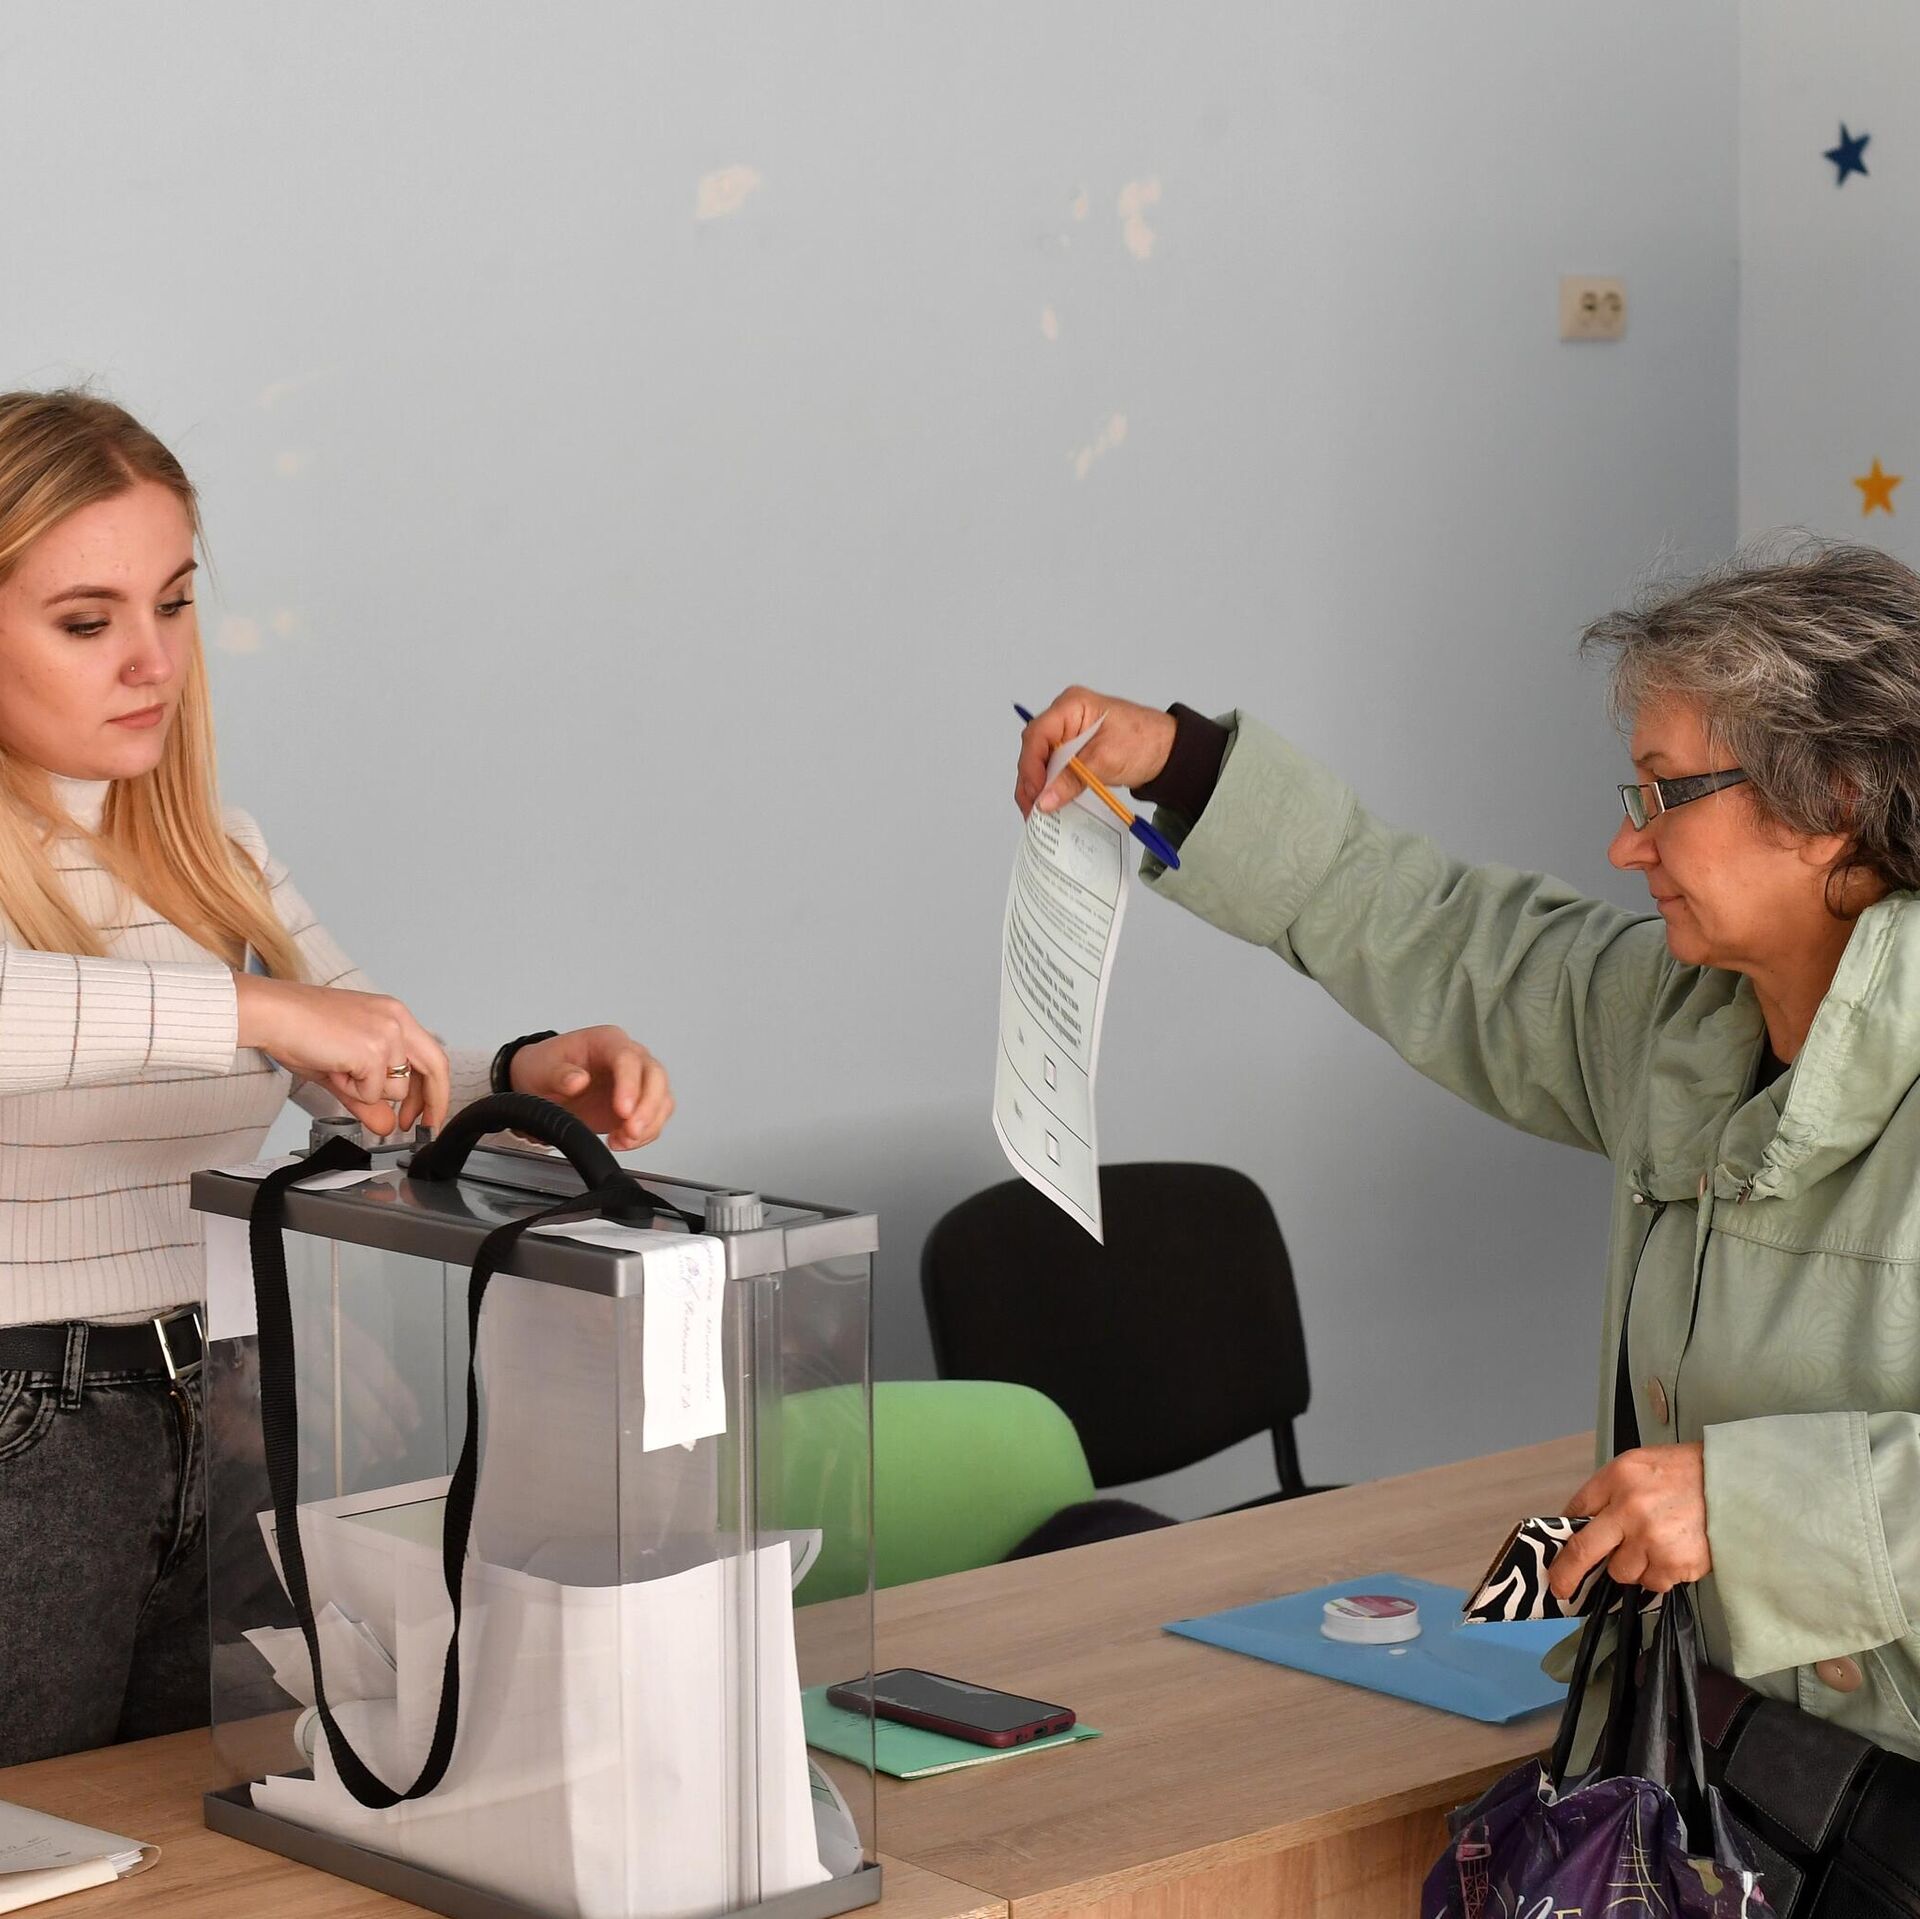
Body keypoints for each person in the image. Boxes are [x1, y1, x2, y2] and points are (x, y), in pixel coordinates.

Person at [1017, 541, 1920, 1760]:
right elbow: (1444, 936)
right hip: (1711, 1784)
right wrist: (1179, 763)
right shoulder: (1680, 1021)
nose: (1629, 846)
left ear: (1835, 806)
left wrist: (1752, 1509)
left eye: (1667, 793)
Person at [0, 388, 673, 1766]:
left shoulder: (215, 854)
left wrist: (523, 1078)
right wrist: (260, 1004)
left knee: (222, 1817)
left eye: (173, 603)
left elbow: (366, 1068)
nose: (152, 660)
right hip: (25, 1429)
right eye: (86, 621)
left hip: (219, 1403)